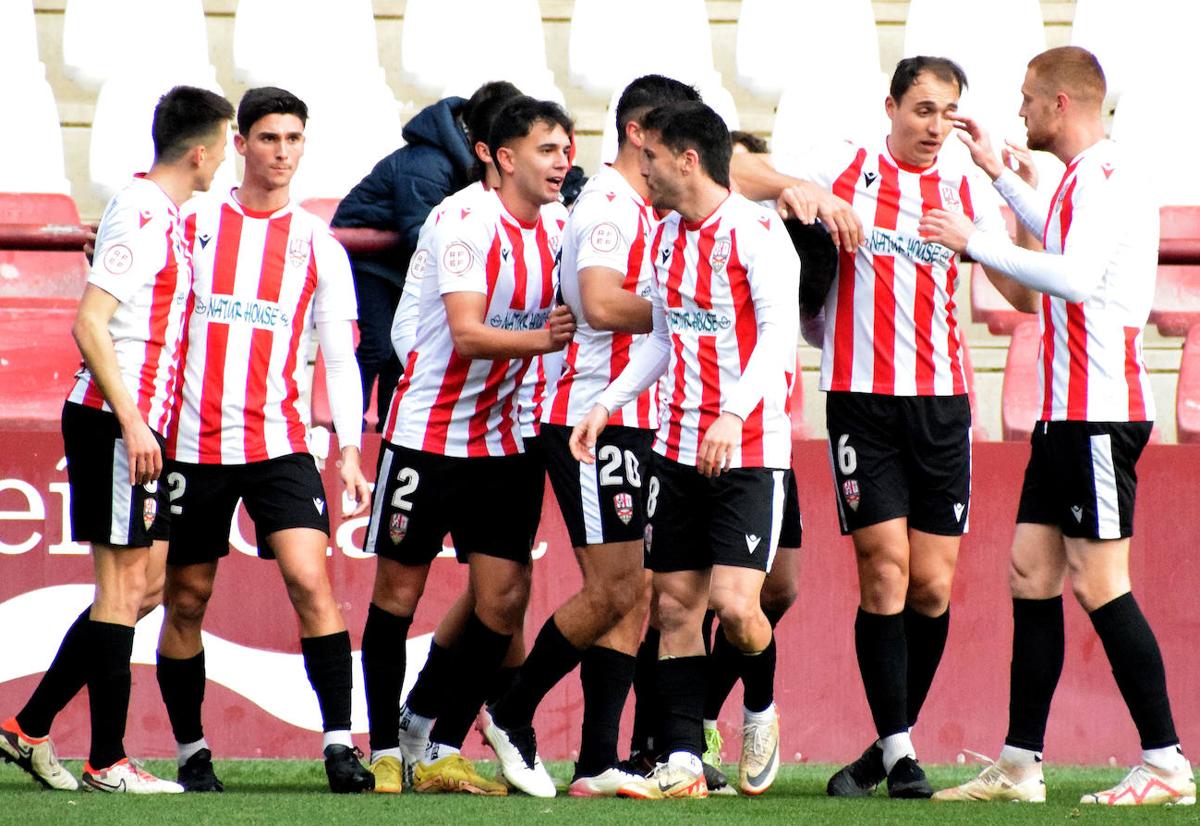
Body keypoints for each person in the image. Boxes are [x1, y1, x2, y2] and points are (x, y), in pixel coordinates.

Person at [920, 46, 1195, 807]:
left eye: (1028, 100)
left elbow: (1072, 276)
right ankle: (1018, 763)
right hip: (1066, 413)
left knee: (1102, 584)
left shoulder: (1105, 178)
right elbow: (1065, 239)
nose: (1020, 113)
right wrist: (997, 173)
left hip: (1100, 416)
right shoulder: (1084, 178)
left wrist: (974, 240)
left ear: (1063, 104)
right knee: (1030, 574)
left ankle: (1167, 764)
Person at [743, 56, 1008, 799]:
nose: (935, 125)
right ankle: (902, 755)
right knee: (885, 568)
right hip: (862, 398)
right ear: (890, 106)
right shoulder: (849, 164)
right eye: (922, 109)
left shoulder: (963, 187)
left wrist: (982, 228)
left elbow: (1019, 289)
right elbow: (736, 167)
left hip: (944, 404)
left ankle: (880, 754)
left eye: (948, 111)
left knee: (931, 586)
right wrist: (808, 193)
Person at [469, 75, 700, 800]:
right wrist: (692, 313)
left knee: (635, 597)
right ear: (640, 134)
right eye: (675, 139)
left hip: (635, 419)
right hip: (590, 422)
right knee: (619, 587)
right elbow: (599, 304)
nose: (686, 156)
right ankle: (511, 711)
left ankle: (597, 762)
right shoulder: (607, 205)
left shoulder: (650, 207)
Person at [0, 86, 233, 794]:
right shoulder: (143, 216)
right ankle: (109, 759)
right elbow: (90, 322)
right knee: (122, 584)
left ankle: (27, 726)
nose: (224, 160)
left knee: (146, 584)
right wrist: (132, 422)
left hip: (138, 420)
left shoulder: (161, 214)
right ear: (200, 152)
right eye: (223, 147)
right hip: (114, 418)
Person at [571, 100, 800, 800]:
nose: (642, 169)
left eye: (652, 159)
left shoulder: (760, 235)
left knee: (735, 605)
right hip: (674, 445)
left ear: (688, 159)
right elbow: (664, 340)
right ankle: (681, 758)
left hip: (749, 447)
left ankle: (758, 709)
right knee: (674, 605)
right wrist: (607, 404)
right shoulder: (666, 235)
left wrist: (733, 413)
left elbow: (777, 339)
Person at [152, 87, 374, 794]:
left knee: (311, 581)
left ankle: (340, 745)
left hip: (279, 442)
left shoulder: (318, 245)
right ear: (239, 144)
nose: (282, 152)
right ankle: (191, 751)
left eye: (294, 139)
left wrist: (346, 448)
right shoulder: (192, 222)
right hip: (189, 443)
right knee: (185, 599)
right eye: (269, 138)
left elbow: (338, 354)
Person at [360, 96, 575, 796]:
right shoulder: (461, 220)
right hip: (426, 434)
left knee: (503, 602)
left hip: (507, 441)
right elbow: (468, 332)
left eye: (567, 148)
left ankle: (437, 741)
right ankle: (385, 747)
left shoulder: (563, 227)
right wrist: (547, 338)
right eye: (547, 150)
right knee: (398, 592)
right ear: (502, 156)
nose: (562, 161)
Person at [333, 81, 521, 431]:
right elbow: (420, 230)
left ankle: (389, 423)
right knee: (376, 344)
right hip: (371, 258)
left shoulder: (454, 157)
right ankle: (346, 427)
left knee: (397, 353)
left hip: (402, 262)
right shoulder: (428, 162)